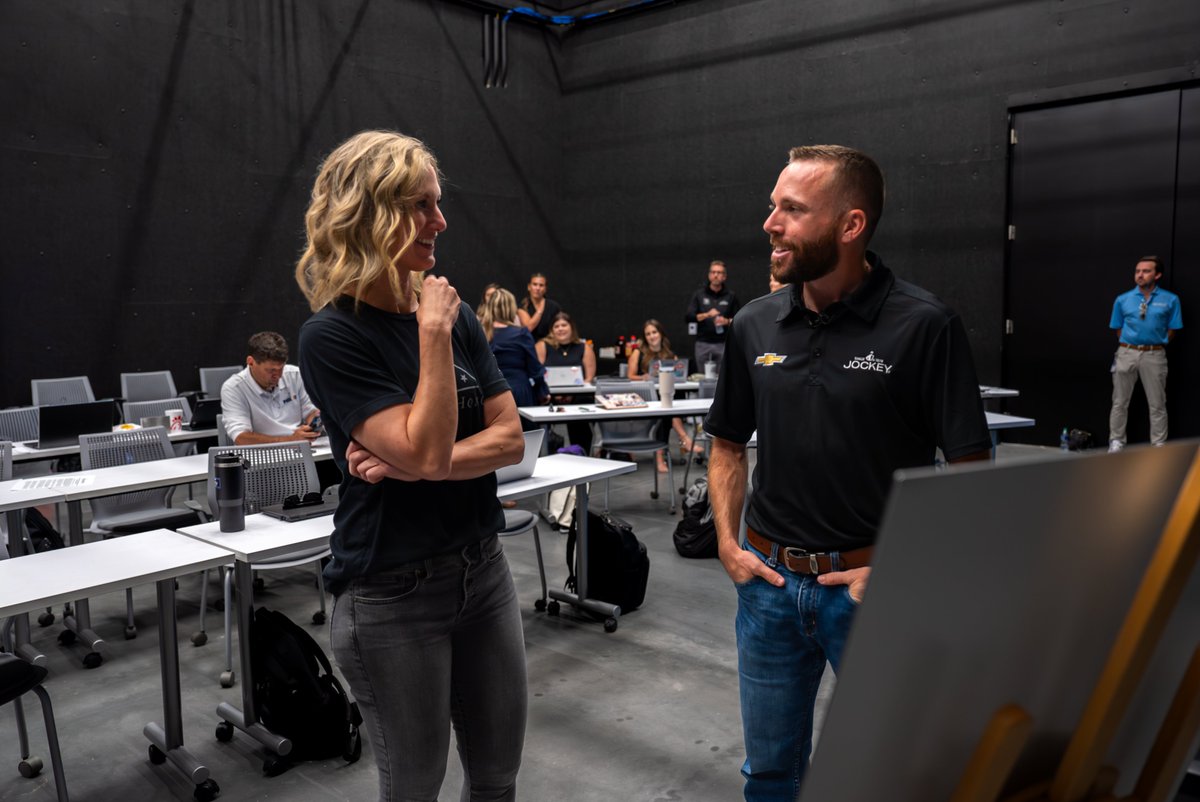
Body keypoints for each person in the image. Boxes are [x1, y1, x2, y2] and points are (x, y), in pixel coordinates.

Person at [705, 145, 992, 801]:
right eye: (773, 205)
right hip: (769, 589)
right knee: (770, 776)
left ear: (851, 225)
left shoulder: (924, 326)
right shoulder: (753, 324)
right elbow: (724, 444)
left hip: (874, 596)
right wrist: (727, 543)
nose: (769, 223)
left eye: (792, 210)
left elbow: (974, 474)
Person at [293, 130, 528, 802]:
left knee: (497, 774)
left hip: (483, 570)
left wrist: (413, 466)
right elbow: (430, 447)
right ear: (372, 214)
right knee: (416, 784)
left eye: (438, 204)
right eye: (422, 205)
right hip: (390, 594)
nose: (440, 221)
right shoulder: (333, 335)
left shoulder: (456, 317)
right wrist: (430, 333)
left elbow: (510, 439)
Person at [1107, 255, 1183, 451]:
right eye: (1137, 271)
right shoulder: (1123, 299)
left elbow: (1173, 328)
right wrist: (1131, 344)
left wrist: (1157, 342)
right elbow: (1117, 327)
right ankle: (1116, 441)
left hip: (1154, 355)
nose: (1140, 275)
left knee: (1157, 403)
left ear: (1157, 275)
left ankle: (1158, 444)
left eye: (1146, 271)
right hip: (1126, 353)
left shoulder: (1171, 300)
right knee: (1119, 402)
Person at [627, 318, 703, 472]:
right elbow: (630, 376)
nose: (651, 336)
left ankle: (662, 455)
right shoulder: (638, 353)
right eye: (648, 334)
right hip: (647, 397)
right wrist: (643, 377)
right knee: (666, 411)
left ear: (660, 334)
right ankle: (684, 440)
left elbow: (678, 374)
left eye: (654, 332)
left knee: (667, 410)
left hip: (665, 396)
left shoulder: (669, 354)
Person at [220, 331, 320, 445]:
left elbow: (311, 412)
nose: (278, 376)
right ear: (251, 362)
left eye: (281, 368)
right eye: (271, 370)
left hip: (302, 449)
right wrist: (290, 440)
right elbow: (241, 438)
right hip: (261, 457)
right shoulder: (233, 388)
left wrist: (317, 422)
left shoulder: (295, 375)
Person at [481, 287, 550, 421]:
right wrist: (542, 390)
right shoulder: (521, 334)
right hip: (519, 391)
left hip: (490, 394)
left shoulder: (480, 334)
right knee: (526, 438)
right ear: (511, 308)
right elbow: (535, 369)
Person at [536, 311, 596, 454]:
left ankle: (582, 453)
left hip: (578, 397)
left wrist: (571, 394)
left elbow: (589, 378)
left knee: (580, 409)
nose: (561, 328)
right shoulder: (542, 346)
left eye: (564, 325)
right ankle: (546, 455)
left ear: (571, 327)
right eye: (557, 326)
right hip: (551, 397)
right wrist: (555, 395)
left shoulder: (584, 347)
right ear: (552, 330)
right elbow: (537, 374)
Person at [685, 260, 740, 374]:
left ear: (724, 276)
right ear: (709, 275)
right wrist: (707, 314)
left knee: (723, 378)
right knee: (701, 378)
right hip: (702, 343)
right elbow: (689, 317)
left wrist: (726, 321)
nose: (716, 275)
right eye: (713, 272)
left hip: (723, 343)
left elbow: (739, 320)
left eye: (719, 272)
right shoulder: (699, 295)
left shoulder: (731, 296)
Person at [517, 272, 561, 341]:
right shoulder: (522, 306)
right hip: (529, 345)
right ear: (529, 287)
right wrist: (540, 310)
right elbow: (528, 328)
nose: (538, 288)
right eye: (535, 284)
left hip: (550, 344)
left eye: (541, 285)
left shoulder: (554, 306)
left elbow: (559, 328)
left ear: (545, 288)